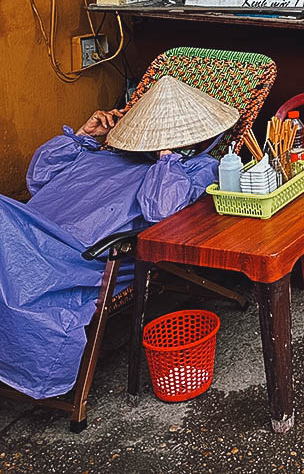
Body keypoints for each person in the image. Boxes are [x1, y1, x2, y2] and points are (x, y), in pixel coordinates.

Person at [0, 75, 238, 400]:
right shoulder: (107, 151)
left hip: (72, 260)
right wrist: (83, 138)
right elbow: (38, 180)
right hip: (27, 236)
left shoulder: (196, 168)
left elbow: (160, 209)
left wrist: (165, 154)